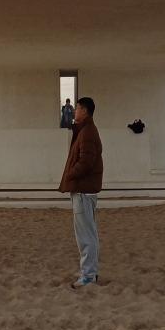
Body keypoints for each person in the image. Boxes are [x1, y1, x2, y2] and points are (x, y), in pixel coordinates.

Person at [58, 96, 103, 289]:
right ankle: (90, 272)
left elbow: (86, 161)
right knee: (88, 234)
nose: (74, 111)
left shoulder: (87, 132)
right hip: (85, 189)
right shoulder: (85, 130)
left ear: (84, 111)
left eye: (77, 108)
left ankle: (88, 275)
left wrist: (71, 174)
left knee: (85, 236)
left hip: (83, 190)